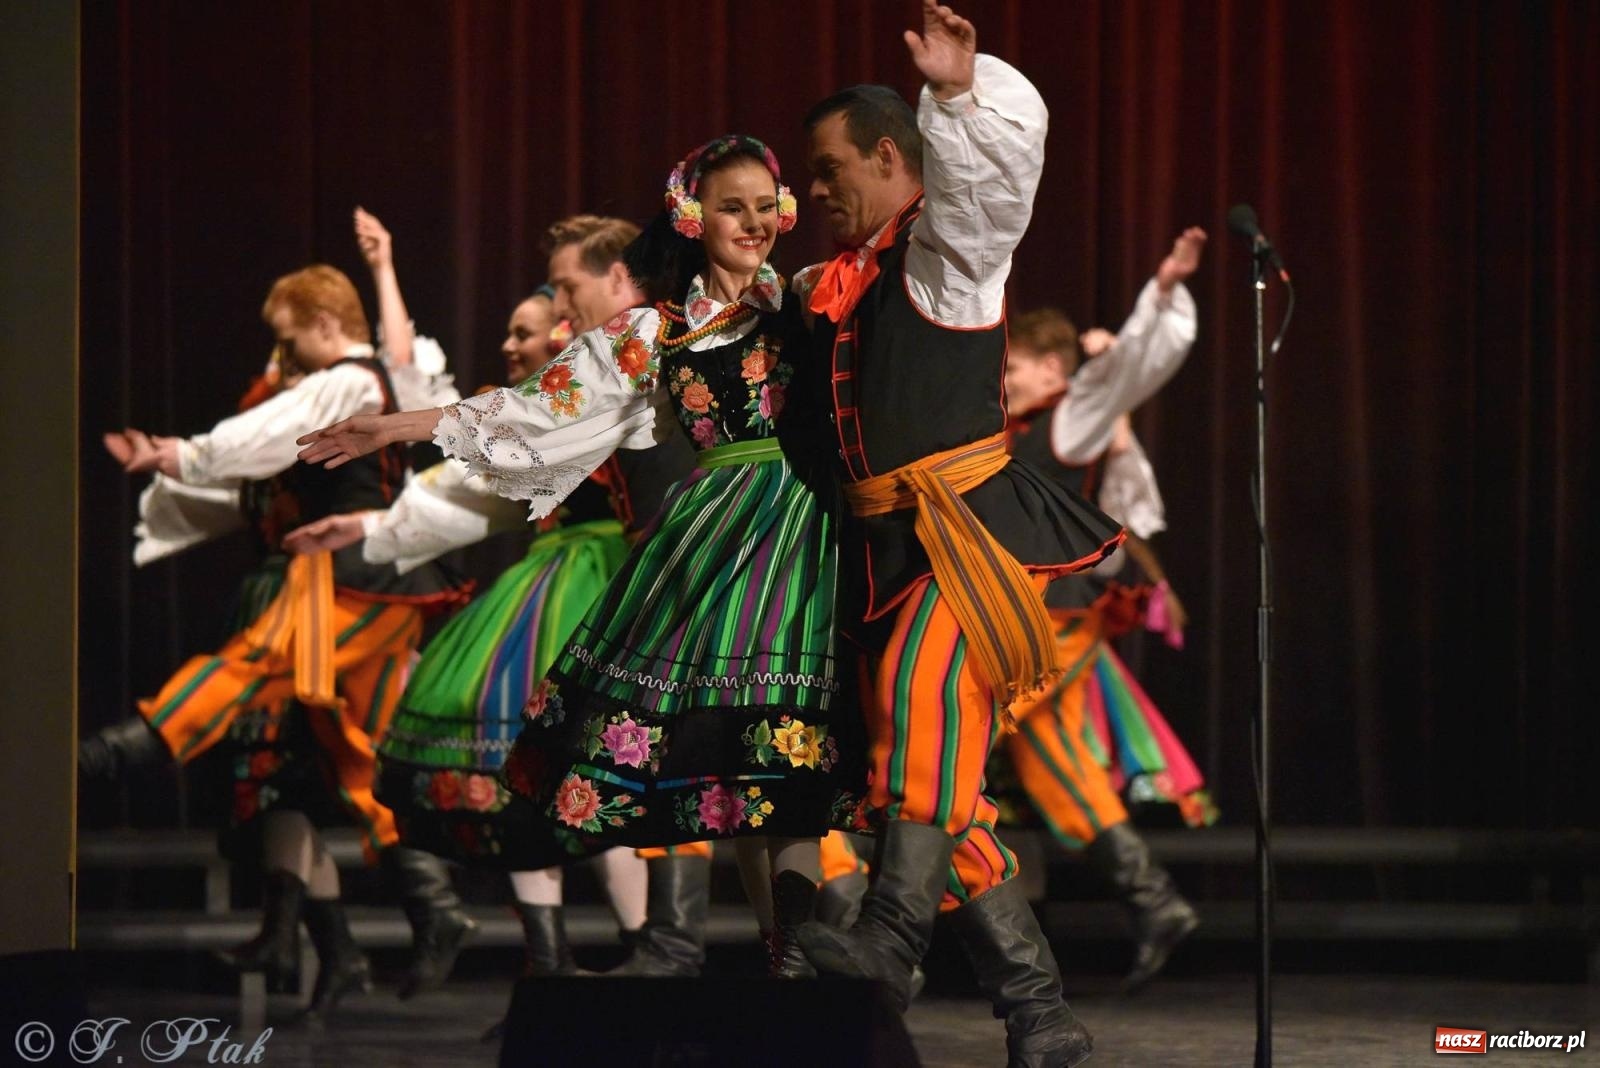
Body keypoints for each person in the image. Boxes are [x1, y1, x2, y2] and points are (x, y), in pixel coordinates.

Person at [297, 137, 867, 979]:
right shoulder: (656, 330)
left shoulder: (814, 300)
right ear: (691, 215)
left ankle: (817, 953)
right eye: (729, 205)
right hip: (721, 545)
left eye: (762, 203)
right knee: (750, 774)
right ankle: (786, 960)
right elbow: (537, 411)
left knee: (797, 763)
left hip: (814, 530)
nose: (751, 222)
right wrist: (393, 425)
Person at [788, 4, 1123, 1065]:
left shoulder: (946, 258)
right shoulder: (835, 291)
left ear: (890, 157)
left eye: (829, 167)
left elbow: (989, 199)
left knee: (918, 698)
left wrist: (959, 96)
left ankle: (890, 944)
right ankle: (1040, 1015)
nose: (816, 189)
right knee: (941, 788)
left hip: (967, 534)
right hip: (882, 552)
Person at [83, 223, 475, 1008]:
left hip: (359, 582)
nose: (284, 358)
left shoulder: (353, 381)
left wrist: (176, 453)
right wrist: (183, 468)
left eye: (291, 340)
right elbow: (256, 473)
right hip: (328, 582)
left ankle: (103, 758)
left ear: (323, 328)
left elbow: (303, 415)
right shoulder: (340, 385)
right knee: (342, 761)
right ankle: (418, 917)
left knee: (253, 680)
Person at [1000, 227, 1212, 993]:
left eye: (1015, 368)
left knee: (948, 736)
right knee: (1054, 762)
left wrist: (1160, 295)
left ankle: (890, 925)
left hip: (1054, 620)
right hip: (1033, 613)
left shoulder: (1072, 413)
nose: (1007, 381)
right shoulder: (1024, 426)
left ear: (1052, 368)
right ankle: (1157, 904)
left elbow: (1123, 371)